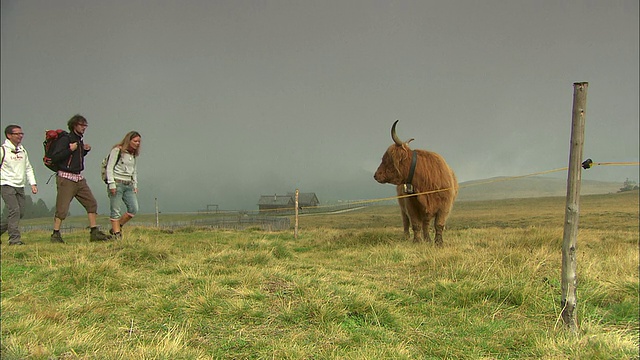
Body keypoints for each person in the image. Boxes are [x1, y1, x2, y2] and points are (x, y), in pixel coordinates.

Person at [48, 114, 109, 243]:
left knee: (91, 203)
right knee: (62, 208)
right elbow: (55, 157)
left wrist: (84, 150)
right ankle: (55, 234)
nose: (84, 128)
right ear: (74, 125)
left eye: (85, 125)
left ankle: (94, 231)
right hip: (66, 177)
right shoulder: (65, 139)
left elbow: (74, 159)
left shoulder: (79, 140)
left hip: (78, 177)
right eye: (82, 125)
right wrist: (70, 149)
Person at [0, 125, 38, 245]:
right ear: (9, 135)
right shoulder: (3, 150)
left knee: (19, 212)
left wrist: (33, 183)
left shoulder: (22, 150)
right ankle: (14, 240)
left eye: (21, 133)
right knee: (14, 210)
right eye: (17, 134)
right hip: (6, 184)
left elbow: (28, 168)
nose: (20, 136)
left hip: (20, 185)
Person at [105, 131, 141, 240]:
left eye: (139, 141)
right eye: (135, 141)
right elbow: (109, 167)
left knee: (133, 208)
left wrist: (135, 184)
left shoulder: (133, 154)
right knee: (115, 210)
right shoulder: (117, 150)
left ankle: (118, 226)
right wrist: (111, 184)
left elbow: (134, 170)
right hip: (117, 182)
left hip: (128, 184)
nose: (137, 143)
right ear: (128, 140)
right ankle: (117, 235)